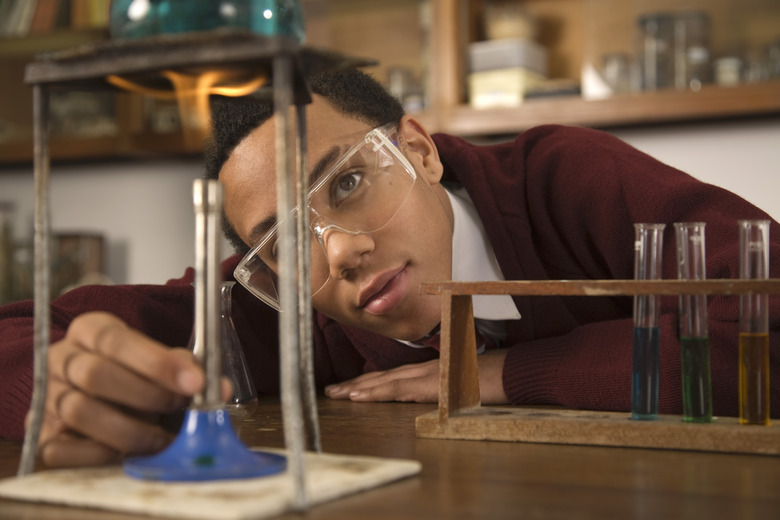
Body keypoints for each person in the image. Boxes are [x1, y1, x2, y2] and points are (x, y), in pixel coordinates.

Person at [0, 68, 778, 468]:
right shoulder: (278, 298)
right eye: (286, 241)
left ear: (418, 149)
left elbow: (765, 325)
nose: (338, 251)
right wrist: (68, 377)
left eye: (347, 181)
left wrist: (499, 375)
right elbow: (27, 333)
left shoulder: (561, 177)